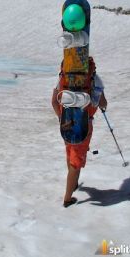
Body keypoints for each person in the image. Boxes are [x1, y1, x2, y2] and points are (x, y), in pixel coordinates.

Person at [51, 63, 107, 208]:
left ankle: (73, 184)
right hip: (84, 125)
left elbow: (54, 101)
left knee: (70, 153)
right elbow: (103, 103)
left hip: (66, 121)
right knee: (76, 161)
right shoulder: (94, 79)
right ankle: (67, 199)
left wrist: (61, 118)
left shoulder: (64, 78)